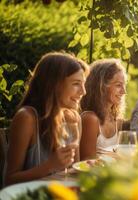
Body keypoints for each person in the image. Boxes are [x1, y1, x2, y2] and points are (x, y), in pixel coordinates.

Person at [5, 52, 88, 185]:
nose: (84, 91)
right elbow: (9, 180)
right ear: (54, 84)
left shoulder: (73, 119)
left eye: (83, 84)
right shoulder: (27, 118)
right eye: (76, 84)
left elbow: (74, 171)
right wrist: (50, 165)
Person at [80, 59, 127, 160]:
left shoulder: (115, 118)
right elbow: (86, 161)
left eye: (124, 85)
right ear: (101, 86)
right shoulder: (90, 118)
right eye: (118, 85)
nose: (124, 91)